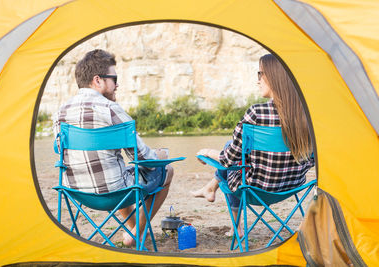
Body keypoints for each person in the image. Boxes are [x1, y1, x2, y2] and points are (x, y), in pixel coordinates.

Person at [53, 49, 173, 247]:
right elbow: (144, 158)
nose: (117, 85)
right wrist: (161, 154)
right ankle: (136, 233)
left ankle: (132, 229)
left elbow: (59, 152)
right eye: (114, 79)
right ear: (98, 80)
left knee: (117, 172)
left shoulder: (60, 113)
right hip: (115, 192)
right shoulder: (110, 109)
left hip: (75, 192)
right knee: (166, 169)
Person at [192, 53, 314, 235]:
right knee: (237, 155)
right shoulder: (308, 113)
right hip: (294, 186)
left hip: (255, 189)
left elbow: (227, 160)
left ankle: (236, 226)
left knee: (231, 156)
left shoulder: (256, 113)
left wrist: (206, 151)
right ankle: (211, 187)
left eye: (260, 74)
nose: (258, 81)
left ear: (273, 77)